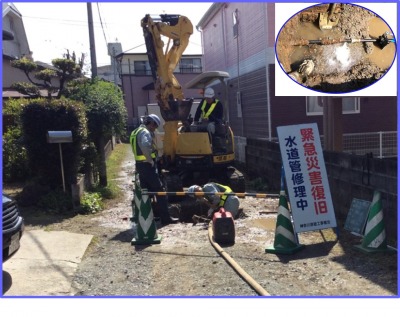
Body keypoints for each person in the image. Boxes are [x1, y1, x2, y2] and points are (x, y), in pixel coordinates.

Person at [130, 114, 179, 225]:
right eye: (155, 126)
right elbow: (145, 146)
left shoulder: (135, 132)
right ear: (150, 123)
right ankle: (166, 218)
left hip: (140, 165)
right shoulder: (145, 132)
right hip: (147, 165)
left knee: (146, 192)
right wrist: (151, 161)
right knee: (160, 191)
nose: (154, 129)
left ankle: (148, 217)